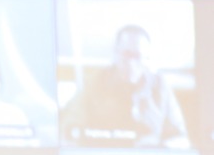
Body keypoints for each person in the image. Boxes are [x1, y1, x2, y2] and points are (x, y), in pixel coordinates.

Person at [61, 24, 190, 146]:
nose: (131, 63)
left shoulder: (160, 87)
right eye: (126, 55)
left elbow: (181, 138)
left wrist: (159, 146)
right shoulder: (95, 82)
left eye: (137, 56)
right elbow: (70, 126)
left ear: (147, 58)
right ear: (115, 53)